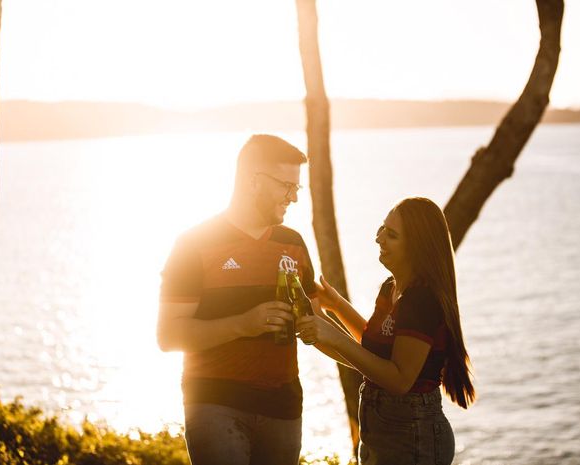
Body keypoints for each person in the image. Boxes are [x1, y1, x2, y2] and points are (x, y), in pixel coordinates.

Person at [157, 134, 320, 465]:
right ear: (253, 181)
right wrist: (243, 325)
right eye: (285, 186)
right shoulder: (193, 244)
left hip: (284, 407)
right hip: (216, 403)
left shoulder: (294, 243)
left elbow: (313, 319)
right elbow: (168, 336)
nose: (293, 198)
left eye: (296, 188)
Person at [297, 197, 476, 465]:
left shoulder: (421, 301)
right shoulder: (390, 289)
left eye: (391, 235)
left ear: (416, 247)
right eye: (382, 228)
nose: (379, 238)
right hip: (380, 430)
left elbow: (399, 380)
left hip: (413, 436)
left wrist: (332, 336)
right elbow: (373, 351)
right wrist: (335, 306)